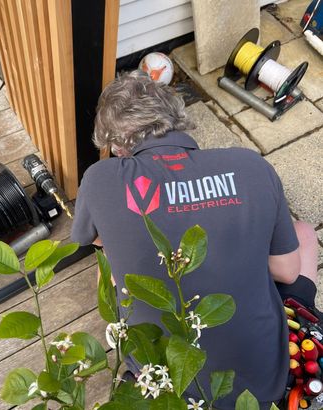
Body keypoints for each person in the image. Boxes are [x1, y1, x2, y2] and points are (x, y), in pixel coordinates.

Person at [71, 70, 319, 409]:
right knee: (303, 232)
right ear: (178, 119)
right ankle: (305, 315)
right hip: (265, 380)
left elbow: (94, 240)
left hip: (165, 381)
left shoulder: (100, 180)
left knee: (108, 266)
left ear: (116, 146)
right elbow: (288, 272)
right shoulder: (250, 165)